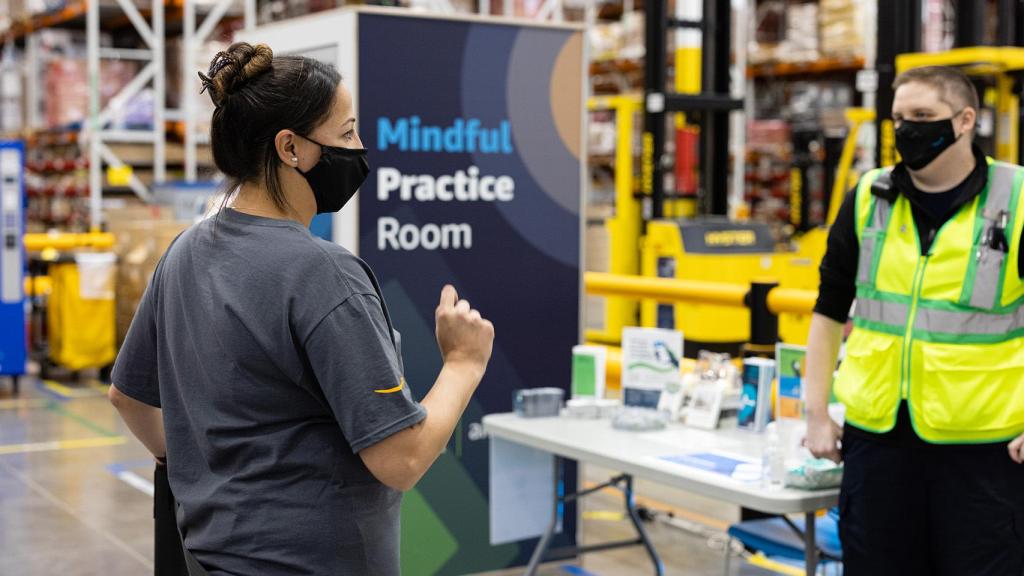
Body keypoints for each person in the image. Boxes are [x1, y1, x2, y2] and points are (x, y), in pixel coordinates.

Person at [108, 42, 495, 576]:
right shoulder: (323, 275)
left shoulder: (184, 252)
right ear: (291, 148)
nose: (360, 148)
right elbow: (400, 459)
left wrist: (194, 468)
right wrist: (463, 363)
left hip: (205, 555)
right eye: (347, 133)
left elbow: (127, 396)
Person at [805, 65, 1024, 575]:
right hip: (878, 444)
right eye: (900, 118)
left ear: (965, 119)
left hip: (983, 450)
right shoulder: (868, 197)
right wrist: (815, 412)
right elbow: (828, 308)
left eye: (923, 117)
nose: (908, 130)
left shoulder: (1016, 198)